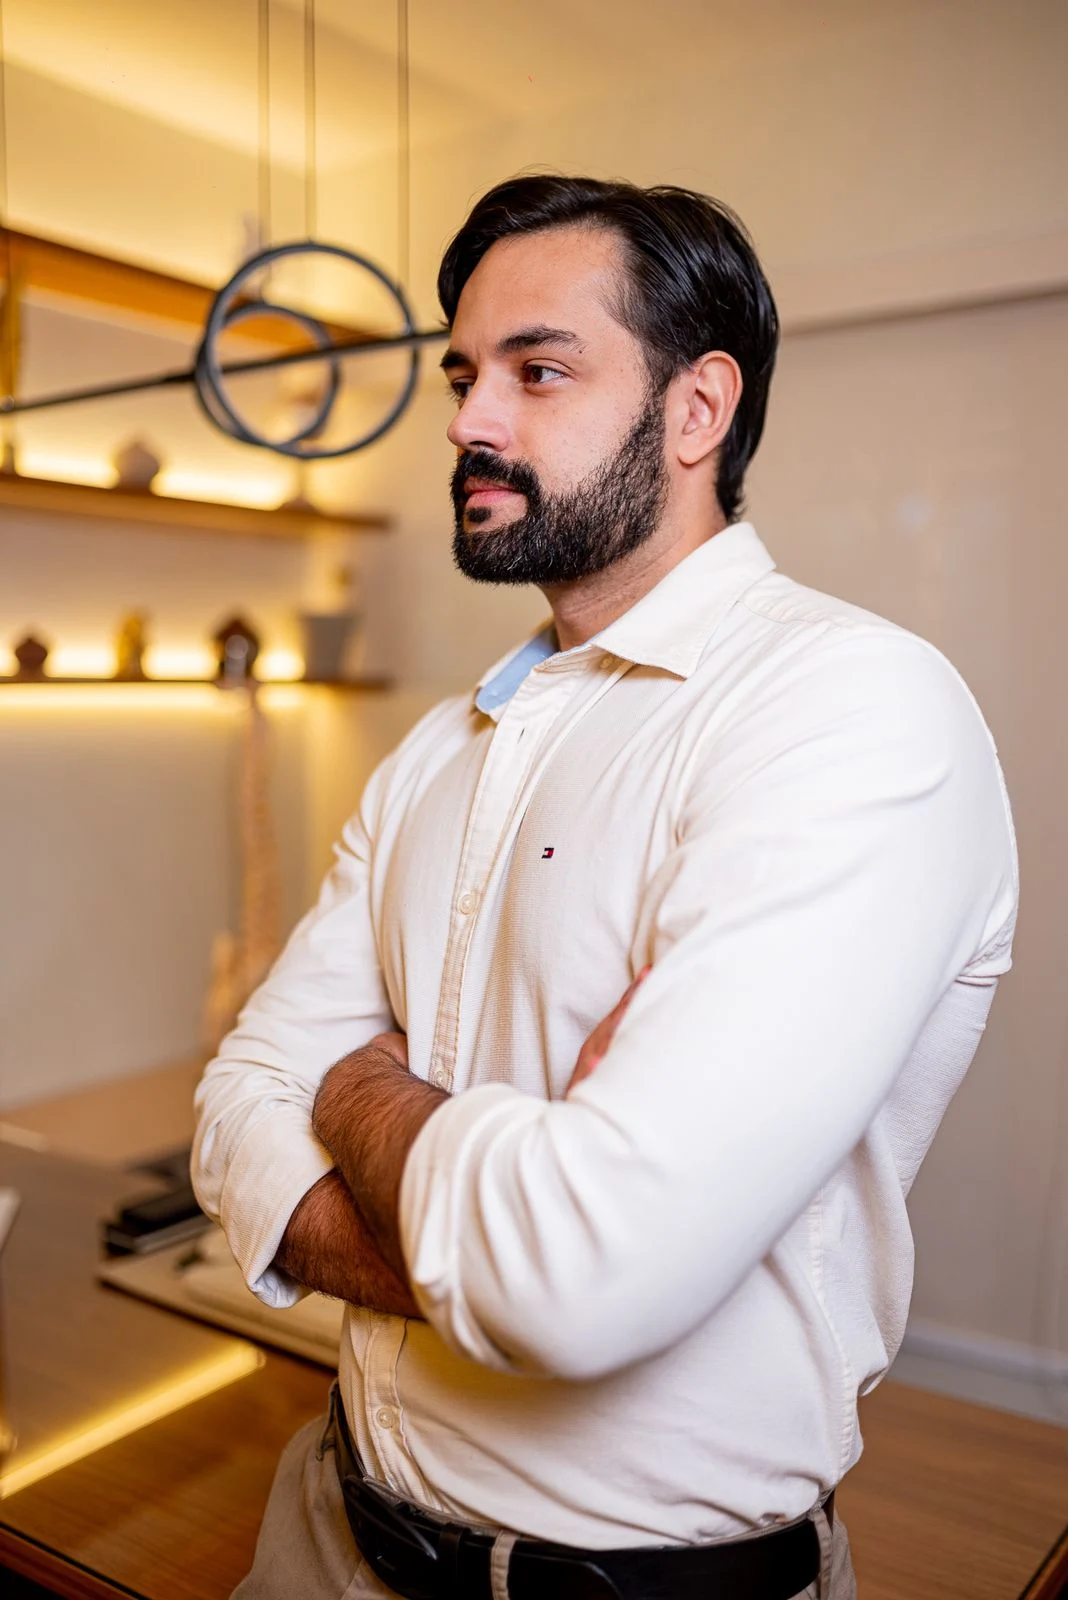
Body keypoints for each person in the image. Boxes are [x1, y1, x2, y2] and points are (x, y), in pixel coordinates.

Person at [192, 175, 1018, 1600]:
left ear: (697, 410)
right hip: (323, 1535)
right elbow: (234, 1107)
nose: (469, 422)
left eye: (538, 370)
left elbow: (578, 1276)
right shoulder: (437, 752)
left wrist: (363, 1091)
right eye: (464, 377)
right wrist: (487, 1245)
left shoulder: (852, 710)